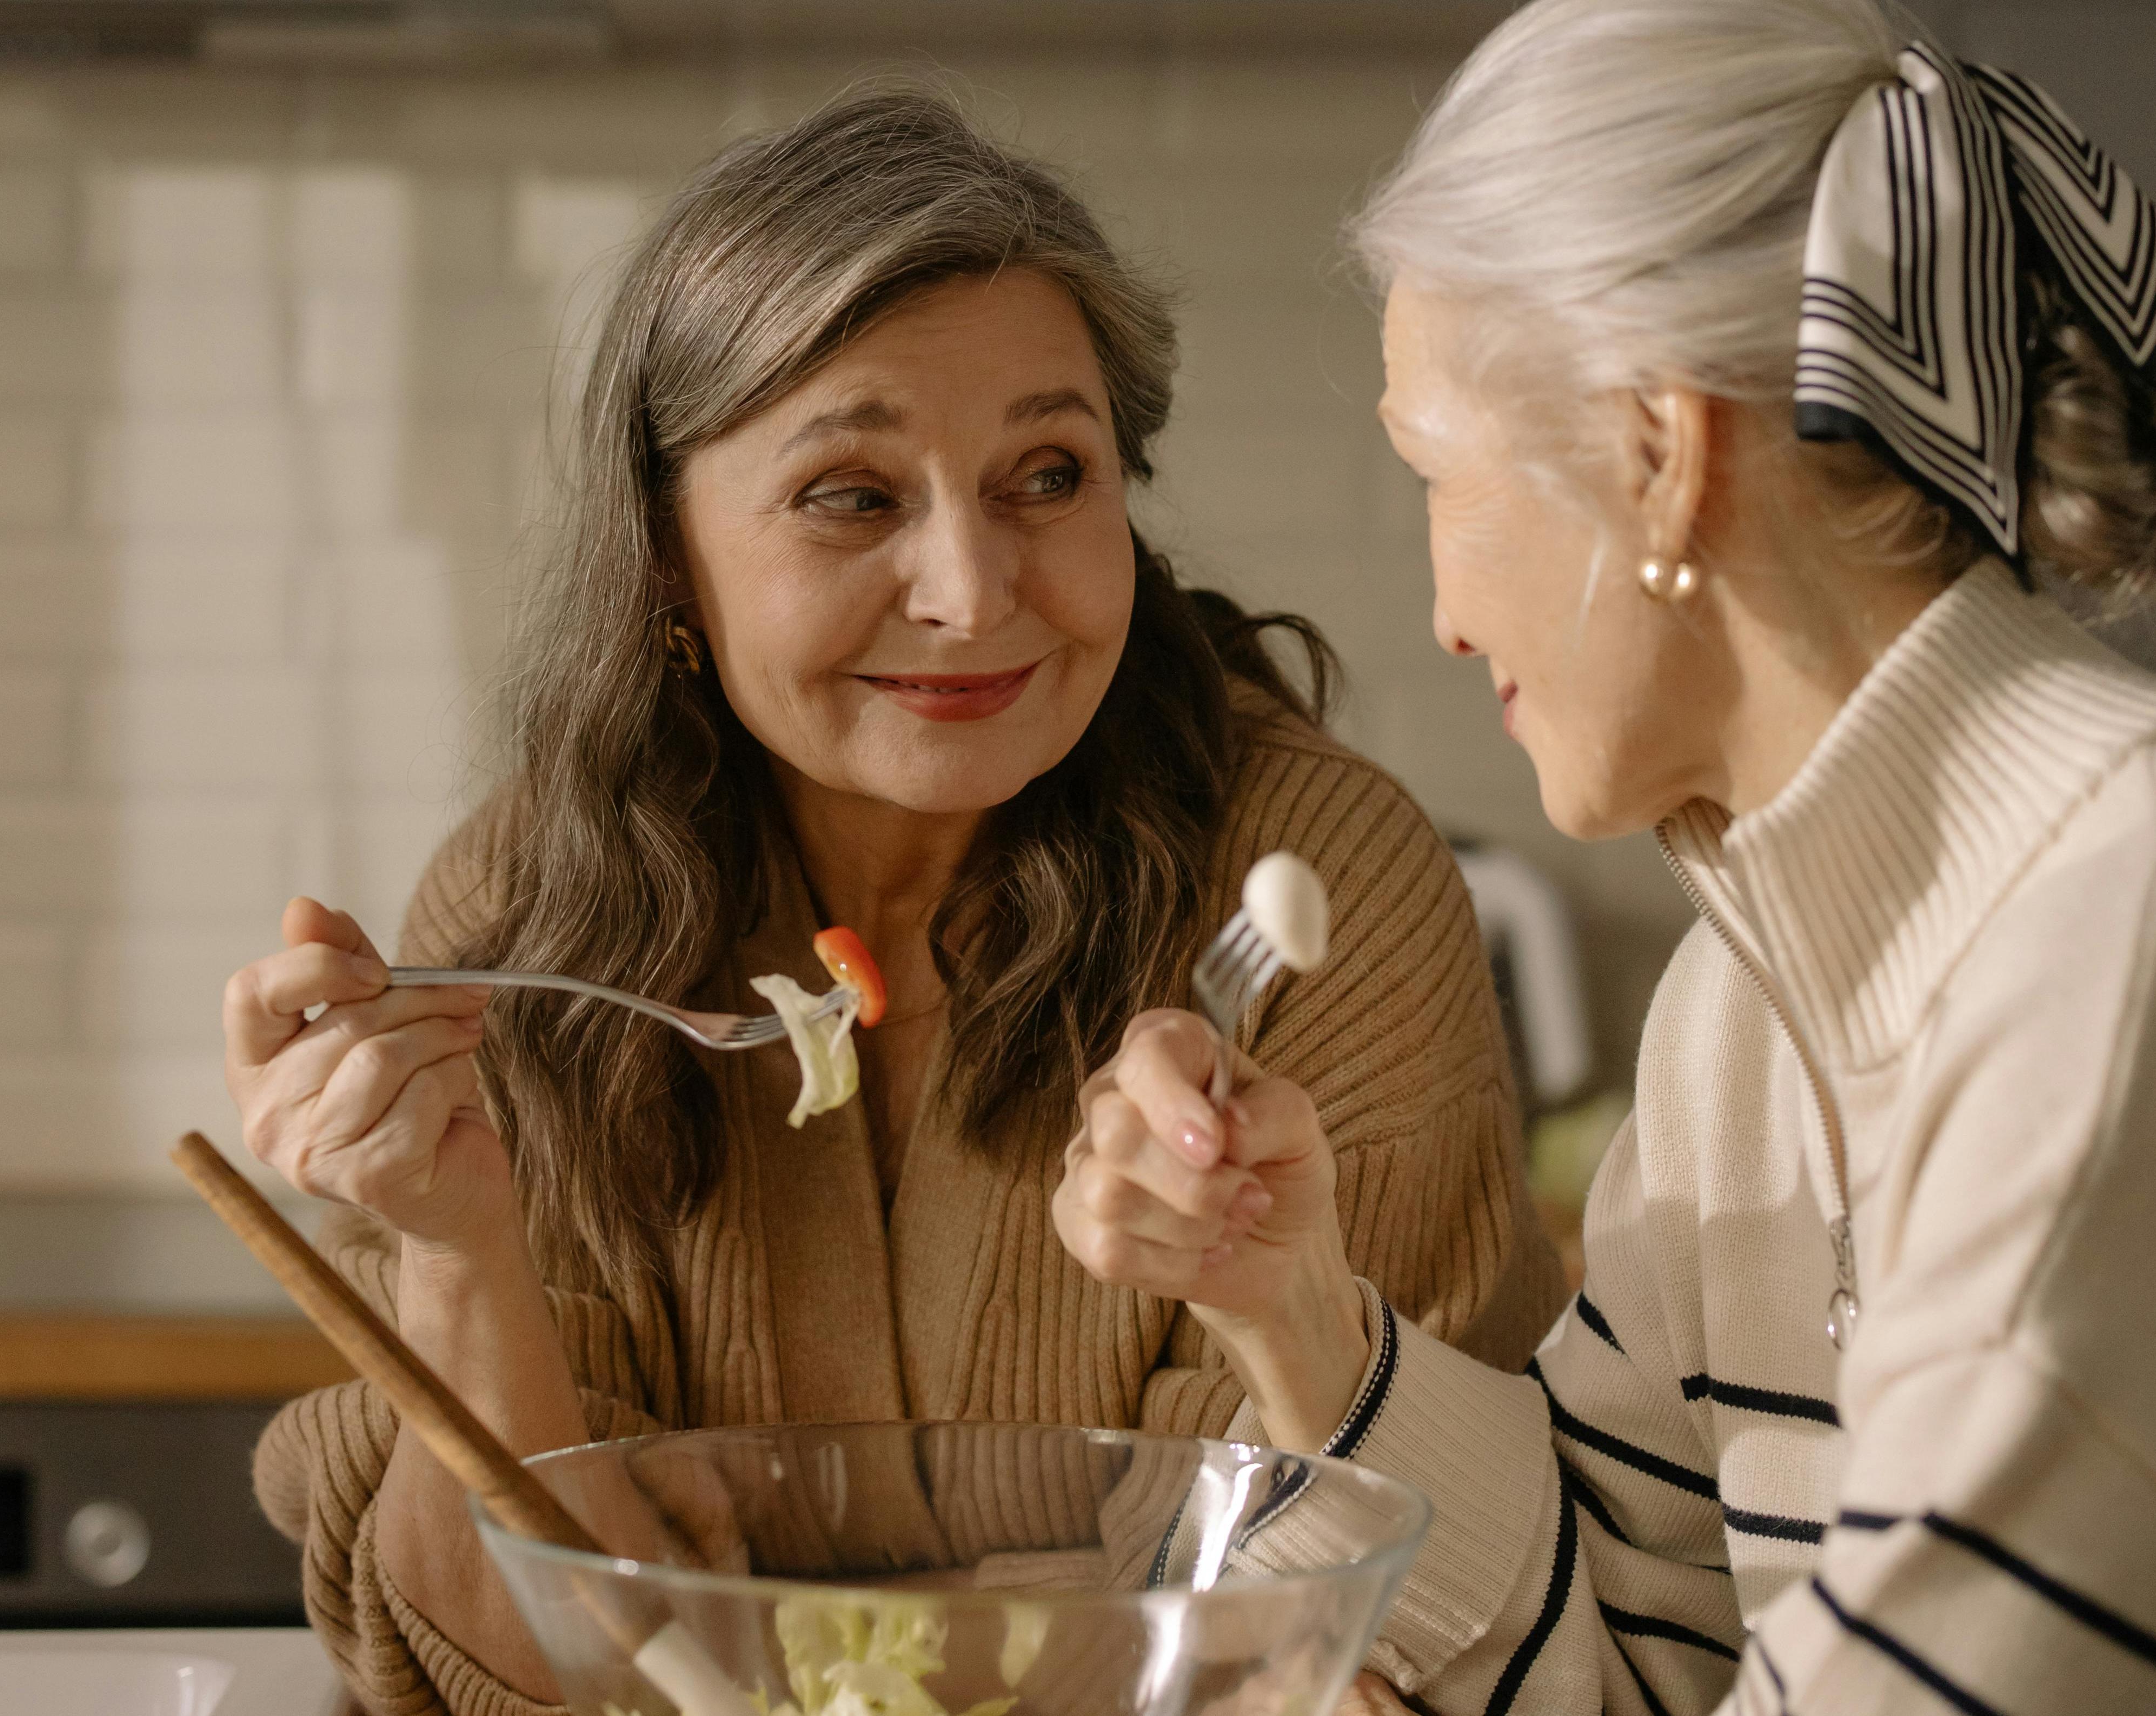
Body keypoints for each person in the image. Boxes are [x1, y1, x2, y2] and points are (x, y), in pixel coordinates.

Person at [225, 91, 1568, 1713]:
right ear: (665, 555)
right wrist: (458, 1253)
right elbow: (520, 1666)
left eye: (1047, 476)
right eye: (853, 495)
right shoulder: (534, 916)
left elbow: (1341, 1613)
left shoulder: (1312, 888)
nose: (972, 591)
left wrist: (758, 1608)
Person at [1056, 1, 2156, 1711]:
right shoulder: (1740, 1013)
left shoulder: (2106, 957)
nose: (1441, 613)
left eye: (1436, 471)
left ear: (1657, 451)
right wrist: (1292, 1309)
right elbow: (1642, 1647)